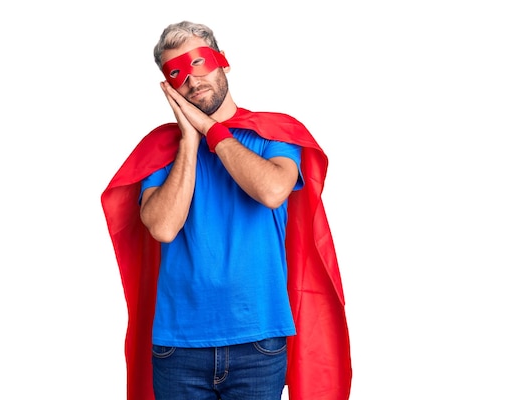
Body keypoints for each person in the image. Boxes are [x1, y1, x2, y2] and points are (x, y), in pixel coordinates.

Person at [101, 21, 351, 400]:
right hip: (178, 346)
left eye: (199, 62)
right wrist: (189, 138)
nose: (192, 78)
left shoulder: (273, 134)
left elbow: (271, 190)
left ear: (223, 63)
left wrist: (211, 130)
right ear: (169, 87)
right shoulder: (160, 151)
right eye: (177, 73)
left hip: (258, 341)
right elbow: (164, 227)